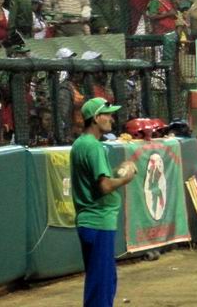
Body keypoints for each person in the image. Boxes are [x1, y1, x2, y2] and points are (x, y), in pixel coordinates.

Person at [70, 97, 137, 307]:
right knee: (102, 286)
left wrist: (117, 171)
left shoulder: (80, 144)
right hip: (99, 221)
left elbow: (97, 179)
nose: (111, 118)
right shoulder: (94, 147)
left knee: (100, 283)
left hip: (88, 222)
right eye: (107, 114)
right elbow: (105, 186)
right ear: (96, 118)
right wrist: (126, 178)